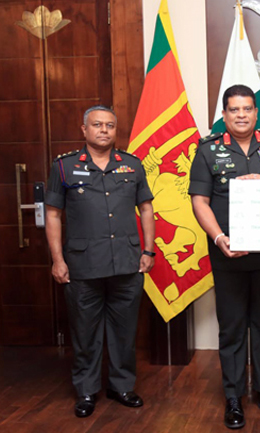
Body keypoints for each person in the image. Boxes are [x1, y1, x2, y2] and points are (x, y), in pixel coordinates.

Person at [189, 84, 260, 430]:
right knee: (233, 327)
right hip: (228, 253)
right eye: (234, 110)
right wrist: (219, 238)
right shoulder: (208, 150)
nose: (242, 115)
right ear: (224, 115)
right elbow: (199, 201)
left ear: (256, 113)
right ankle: (234, 397)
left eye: (247, 109)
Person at [45, 105, 155, 418]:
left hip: (126, 261)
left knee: (124, 331)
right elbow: (53, 214)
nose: (103, 130)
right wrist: (57, 259)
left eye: (109, 125)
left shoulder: (131, 165)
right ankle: (87, 391)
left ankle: (121, 386)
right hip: (82, 265)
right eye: (96, 125)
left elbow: (146, 209)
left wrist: (148, 251)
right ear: (84, 130)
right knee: (84, 332)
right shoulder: (64, 167)